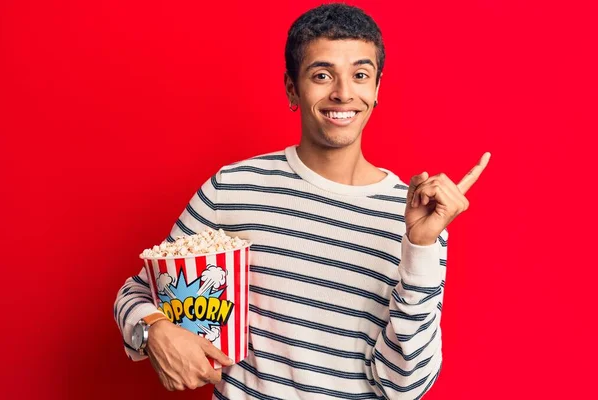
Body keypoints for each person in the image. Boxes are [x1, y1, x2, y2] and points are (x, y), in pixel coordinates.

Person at [113, 3, 490, 399]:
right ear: (292, 87)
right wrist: (153, 329)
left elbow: (405, 386)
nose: (343, 93)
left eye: (360, 75)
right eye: (322, 75)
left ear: (377, 88)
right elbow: (137, 293)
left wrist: (420, 247)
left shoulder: (417, 220)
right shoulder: (234, 187)